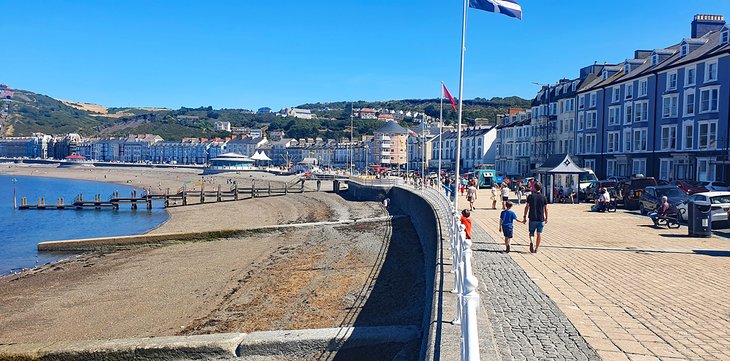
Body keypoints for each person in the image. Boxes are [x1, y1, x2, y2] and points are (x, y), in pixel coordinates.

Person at [523, 182, 548, 253]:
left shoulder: (530, 196)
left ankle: (531, 242)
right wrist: (546, 217)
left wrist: (524, 216)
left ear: (534, 187)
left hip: (532, 217)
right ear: (541, 188)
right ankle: (536, 248)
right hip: (540, 218)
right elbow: (546, 208)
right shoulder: (543, 197)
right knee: (539, 234)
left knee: (531, 232)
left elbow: (527, 207)